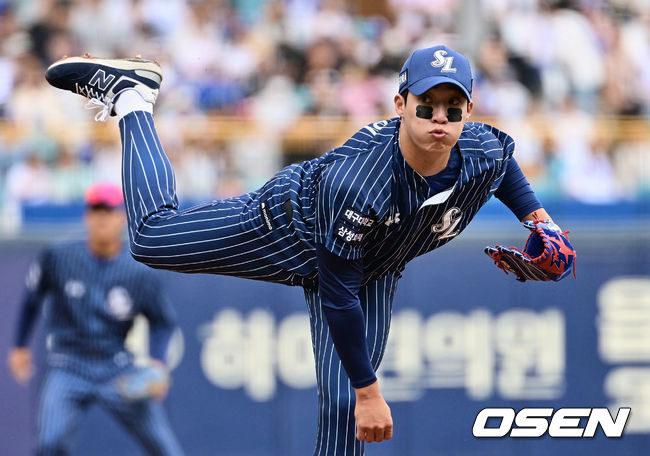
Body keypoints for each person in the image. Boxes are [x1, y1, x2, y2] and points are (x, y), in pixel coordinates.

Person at [44, 45, 575, 455]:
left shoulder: (482, 145)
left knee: (345, 408)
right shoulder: (362, 182)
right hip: (287, 226)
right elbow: (338, 295)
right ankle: (134, 97)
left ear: (468, 111)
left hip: (373, 262)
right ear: (400, 104)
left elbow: (502, 167)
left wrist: (539, 220)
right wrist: (369, 389)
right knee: (151, 238)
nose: (440, 118)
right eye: (427, 104)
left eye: (452, 108)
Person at [7, 182, 184, 456]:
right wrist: (19, 345)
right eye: (96, 211)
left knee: (165, 449)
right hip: (69, 363)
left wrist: (158, 363)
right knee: (50, 443)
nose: (102, 218)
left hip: (116, 365)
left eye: (108, 211)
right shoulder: (58, 257)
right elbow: (32, 299)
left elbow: (162, 321)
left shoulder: (139, 271)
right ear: (87, 216)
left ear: (121, 218)